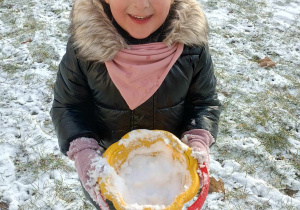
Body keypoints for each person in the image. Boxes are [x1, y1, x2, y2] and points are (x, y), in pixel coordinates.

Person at [51, 0, 222, 209]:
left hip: (172, 173)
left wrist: (197, 137)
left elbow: (204, 102)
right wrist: (83, 150)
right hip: (109, 172)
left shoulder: (192, 48)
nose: (141, 5)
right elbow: (69, 106)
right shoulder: (84, 49)